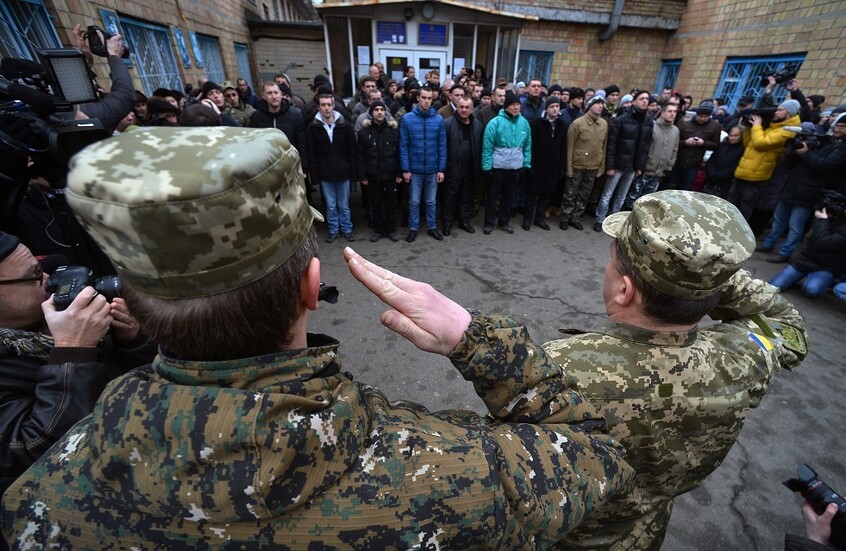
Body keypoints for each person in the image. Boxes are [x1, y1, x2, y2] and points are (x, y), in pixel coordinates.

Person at [1, 126, 635, 547]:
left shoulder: (39, 503)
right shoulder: (462, 477)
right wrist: (474, 340)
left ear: (129, 294)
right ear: (312, 284)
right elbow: (607, 455)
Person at [543, 190, 807, 551]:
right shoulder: (744, 359)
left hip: (566, 536)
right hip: (643, 533)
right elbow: (787, 324)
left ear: (624, 290)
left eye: (611, 262)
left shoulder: (557, 368)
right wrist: (702, 278)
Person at [0, 232, 155, 495]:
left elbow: (123, 384)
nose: (50, 281)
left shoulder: (49, 322)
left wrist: (131, 340)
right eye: (36, 275)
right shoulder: (64, 333)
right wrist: (73, 351)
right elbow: (28, 453)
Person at [756, 115, 846, 263]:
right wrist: (796, 149)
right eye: (837, 125)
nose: (838, 129)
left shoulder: (842, 148)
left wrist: (807, 152)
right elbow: (789, 163)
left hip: (809, 191)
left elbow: (825, 165)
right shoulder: (824, 141)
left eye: (842, 127)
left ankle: (785, 252)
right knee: (779, 219)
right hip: (793, 185)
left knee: (795, 226)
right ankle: (768, 244)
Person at [728, 98, 801, 221]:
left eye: (780, 110)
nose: (776, 112)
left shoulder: (788, 131)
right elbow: (748, 144)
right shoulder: (770, 126)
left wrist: (757, 126)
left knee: (744, 209)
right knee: (730, 205)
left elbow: (760, 143)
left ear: (790, 113)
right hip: (742, 173)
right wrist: (749, 127)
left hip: (756, 178)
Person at [594, 90, 654, 231]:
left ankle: (614, 219)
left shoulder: (648, 121)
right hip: (618, 164)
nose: (645, 101)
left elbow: (646, 146)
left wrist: (640, 167)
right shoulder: (622, 119)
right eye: (642, 98)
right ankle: (600, 218)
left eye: (647, 99)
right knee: (607, 194)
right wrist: (610, 165)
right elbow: (612, 144)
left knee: (621, 196)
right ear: (634, 101)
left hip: (633, 166)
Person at [398, 84, 447, 242]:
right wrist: (405, 169)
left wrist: (441, 169)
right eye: (424, 98)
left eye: (429, 98)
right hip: (415, 169)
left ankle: (432, 227)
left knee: (431, 201)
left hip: (433, 169)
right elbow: (403, 146)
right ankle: (413, 228)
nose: (426, 101)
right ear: (418, 98)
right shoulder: (407, 119)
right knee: (414, 201)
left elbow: (442, 146)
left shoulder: (439, 120)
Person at [306, 94, 356, 243]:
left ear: (333, 106)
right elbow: (312, 152)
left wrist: (352, 171)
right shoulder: (313, 126)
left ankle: (347, 229)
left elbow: (352, 149)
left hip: (343, 172)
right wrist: (314, 175)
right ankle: (334, 229)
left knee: (344, 204)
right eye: (323, 105)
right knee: (331, 205)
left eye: (329, 104)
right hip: (325, 173)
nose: (326, 108)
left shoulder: (345, 125)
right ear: (318, 107)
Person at [769, 201, 846, 297]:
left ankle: (816, 281)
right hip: (806, 260)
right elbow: (806, 241)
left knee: (811, 290)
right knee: (774, 285)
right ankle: (795, 278)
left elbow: (822, 243)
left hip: (827, 267)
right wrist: (795, 261)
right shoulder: (826, 220)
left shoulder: (824, 222)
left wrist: (822, 220)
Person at [481, 90, 531, 235]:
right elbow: (487, 146)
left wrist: (526, 164)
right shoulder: (495, 123)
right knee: (491, 196)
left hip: (515, 167)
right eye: (513, 104)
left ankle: (504, 222)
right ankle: (489, 223)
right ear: (506, 106)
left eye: (518, 104)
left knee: (508, 197)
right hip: (497, 167)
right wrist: (486, 166)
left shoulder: (524, 123)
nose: (516, 107)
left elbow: (527, 145)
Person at [355, 100, 401, 242]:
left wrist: (399, 173)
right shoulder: (364, 133)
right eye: (376, 110)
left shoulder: (394, 131)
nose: (380, 112)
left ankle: (391, 230)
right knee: (376, 205)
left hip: (391, 175)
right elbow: (360, 155)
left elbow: (399, 153)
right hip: (372, 175)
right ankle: (378, 231)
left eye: (382, 109)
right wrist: (362, 175)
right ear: (371, 113)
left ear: (386, 113)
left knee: (390, 205)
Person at [560, 95, 608, 231]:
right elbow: (570, 147)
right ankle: (565, 217)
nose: (600, 106)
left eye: (601, 104)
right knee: (570, 193)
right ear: (589, 106)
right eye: (597, 103)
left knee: (584, 194)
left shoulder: (603, 125)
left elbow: (603, 147)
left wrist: (601, 166)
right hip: (577, 164)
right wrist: (569, 167)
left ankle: (575, 218)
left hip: (593, 165)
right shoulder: (578, 123)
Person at [623, 102, 679, 209]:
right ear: (662, 113)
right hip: (645, 171)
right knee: (633, 200)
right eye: (670, 111)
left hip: (659, 174)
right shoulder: (652, 126)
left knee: (648, 204)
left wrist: (668, 166)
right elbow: (643, 148)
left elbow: (674, 150)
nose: (672, 114)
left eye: (675, 112)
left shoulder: (675, 131)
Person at [442, 97, 483, 235]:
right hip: (453, 167)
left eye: (467, 107)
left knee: (466, 196)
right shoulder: (447, 124)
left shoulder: (477, 125)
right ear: (457, 107)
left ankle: (464, 221)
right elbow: (442, 147)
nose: (464, 110)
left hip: (470, 168)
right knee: (450, 197)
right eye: (461, 107)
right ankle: (447, 224)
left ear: (472, 109)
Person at [524, 96, 566, 231]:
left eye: (557, 106)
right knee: (532, 194)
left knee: (546, 195)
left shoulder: (562, 125)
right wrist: (530, 165)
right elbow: (531, 145)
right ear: (546, 108)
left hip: (553, 166)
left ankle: (539, 219)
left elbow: (563, 147)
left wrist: (562, 166)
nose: (555, 109)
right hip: (538, 165)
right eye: (552, 106)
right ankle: (527, 219)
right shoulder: (537, 124)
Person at [665, 101, 723, 191]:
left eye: (705, 117)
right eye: (700, 116)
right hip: (678, 161)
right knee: (670, 186)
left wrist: (703, 143)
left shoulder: (715, 127)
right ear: (696, 114)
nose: (702, 119)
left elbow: (716, 145)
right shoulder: (684, 123)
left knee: (685, 189)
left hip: (694, 164)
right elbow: (673, 141)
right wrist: (685, 142)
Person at [249, 81, 308, 168]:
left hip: (291, 164)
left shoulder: (295, 115)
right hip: (267, 166)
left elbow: (302, 143)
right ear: (263, 96)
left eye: (276, 92)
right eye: (269, 93)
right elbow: (253, 144)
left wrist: (304, 167)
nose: (274, 96)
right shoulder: (256, 117)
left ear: (281, 94)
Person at [701, 125, 745, 198]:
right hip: (711, 178)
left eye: (736, 136)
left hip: (725, 182)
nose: (732, 138)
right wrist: (711, 172)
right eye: (731, 135)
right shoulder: (722, 145)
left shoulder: (741, 150)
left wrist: (721, 175)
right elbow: (712, 159)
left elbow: (736, 166)